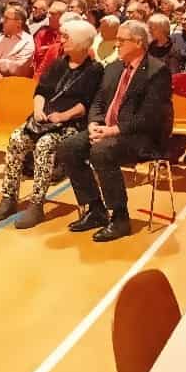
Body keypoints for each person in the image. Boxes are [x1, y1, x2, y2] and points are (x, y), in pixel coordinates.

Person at [57, 19, 172, 242]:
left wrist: (113, 131)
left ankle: (120, 218)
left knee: (102, 151)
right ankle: (95, 209)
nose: (116, 44)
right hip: (107, 130)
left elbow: (150, 117)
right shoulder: (113, 67)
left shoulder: (157, 71)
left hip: (141, 137)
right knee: (68, 147)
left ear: (138, 42)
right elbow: (98, 101)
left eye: (121, 40)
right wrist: (94, 123)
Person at [0, 19, 103, 229]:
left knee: (45, 145)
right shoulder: (59, 63)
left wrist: (63, 116)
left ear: (80, 42)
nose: (62, 40)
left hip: (71, 124)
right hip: (44, 119)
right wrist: (38, 109)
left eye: (67, 37)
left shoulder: (94, 70)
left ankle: (37, 203)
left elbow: (86, 103)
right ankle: (9, 196)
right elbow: (41, 90)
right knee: (16, 138)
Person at [0, 4, 35, 94]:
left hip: (9, 87)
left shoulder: (27, 42)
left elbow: (18, 69)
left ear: (18, 23)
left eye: (6, 19)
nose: (2, 21)